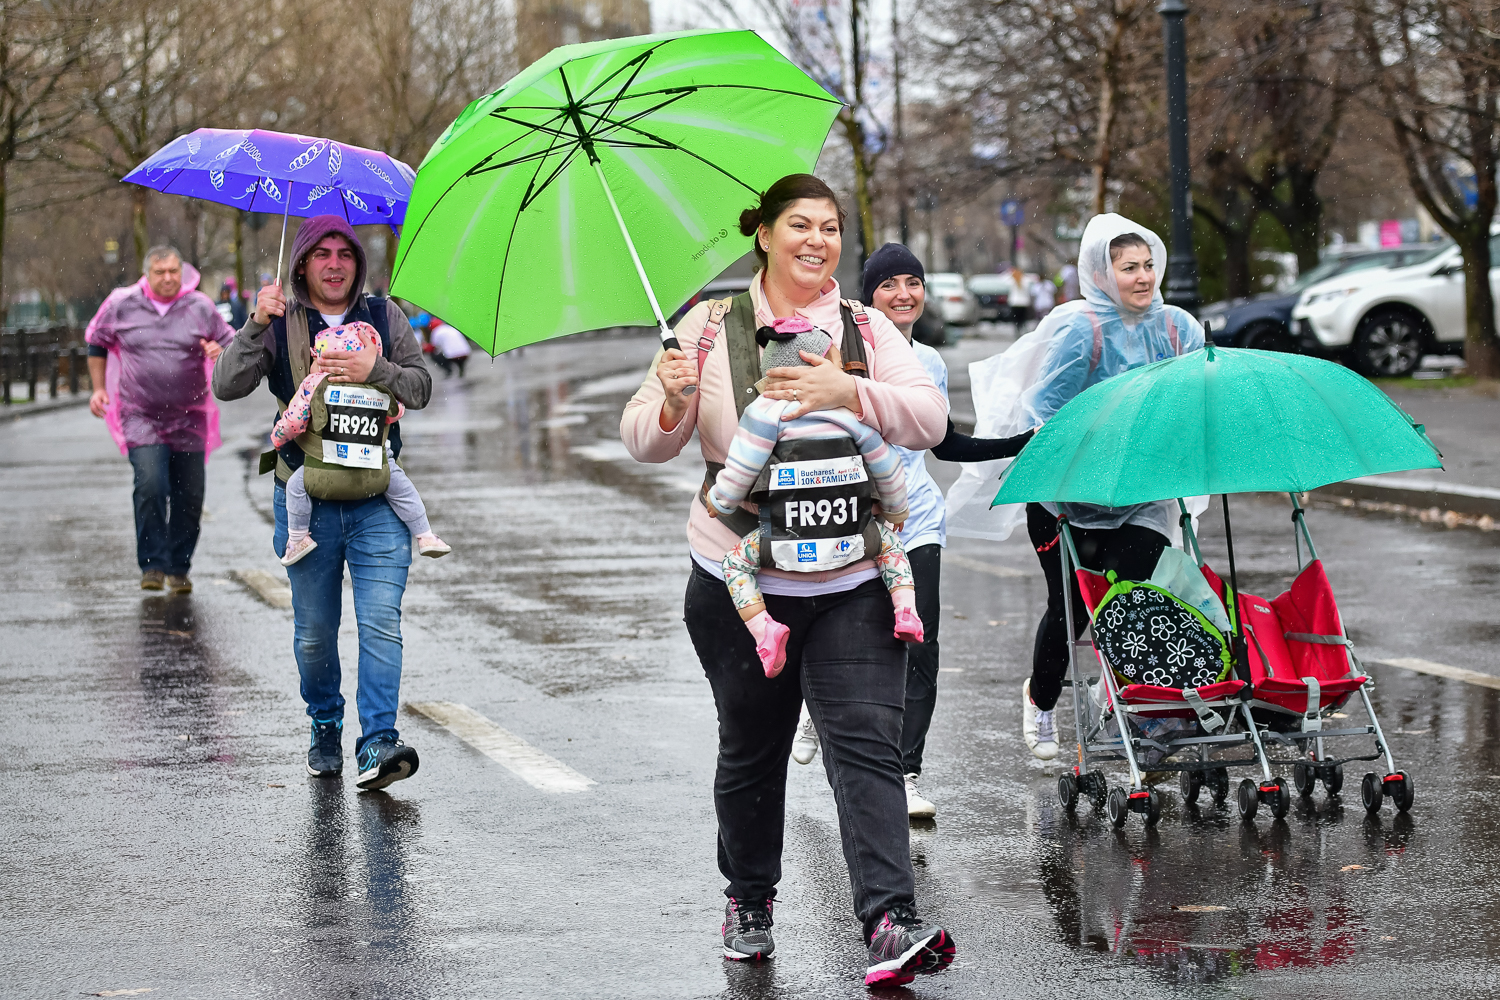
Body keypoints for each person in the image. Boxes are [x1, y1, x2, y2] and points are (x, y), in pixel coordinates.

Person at [621, 174, 956, 987]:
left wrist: (851, 390)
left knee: (867, 745)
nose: (818, 240)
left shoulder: (867, 327)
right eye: (800, 225)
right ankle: (749, 900)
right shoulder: (705, 329)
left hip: (854, 578)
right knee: (753, 747)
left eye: (831, 227)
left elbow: (930, 420)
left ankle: (889, 920)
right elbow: (643, 441)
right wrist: (670, 401)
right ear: (763, 235)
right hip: (741, 584)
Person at [786, 243, 1034, 820]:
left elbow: (941, 442)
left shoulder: (930, 363)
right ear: (867, 297)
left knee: (920, 645)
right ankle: (815, 706)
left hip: (916, 519)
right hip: (850, 520)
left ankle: (905, 773)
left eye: (913, 283)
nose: (903, 294)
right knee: (848, 641)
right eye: (889, 284)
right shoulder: (837, 356)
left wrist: (1020, 445)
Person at [212, 215, 433, 790]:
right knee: (314, 633)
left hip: (378, 500)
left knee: (380, 622)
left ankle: (378, 740)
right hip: (304, 500)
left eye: (345, 253)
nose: (335, 264)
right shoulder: (281, 321)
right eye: (322, 254)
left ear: (358, 263)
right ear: (302, 263)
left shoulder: (385, 316)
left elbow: (420, 388)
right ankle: (325, 722)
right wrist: (254, 324)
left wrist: (375, 369)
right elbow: (226, 386)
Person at [1017, 214, 1204, 759]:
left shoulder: (1178, 329)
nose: (1143, 277)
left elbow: (1194, 400)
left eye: (1148, 265)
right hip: (1067, 496)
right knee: (1071, 608)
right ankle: (1041, 698)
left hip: (1141, 494)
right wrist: (1099, 443)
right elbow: (1044, 411)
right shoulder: (1083, 331)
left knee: (1136, 599)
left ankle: (1122, 698)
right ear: (1102, 274)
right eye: (1128, 268)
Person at [706, 315, 923, 676]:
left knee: (734, 564)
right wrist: (896, 509)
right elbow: (887, 464)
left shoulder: (765, 411)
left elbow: (742, 468)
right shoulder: (849, 413)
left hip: (783, 540)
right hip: (854, 535)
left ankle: (765, 630)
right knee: (893, 549)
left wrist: (720, 501)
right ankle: (905, 611)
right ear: (818, 363)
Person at [86, 246, 236, 594]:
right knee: (151, 484)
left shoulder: (200, 306)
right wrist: (98, 388)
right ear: (147, 274)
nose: (168, 278)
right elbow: (96, 341)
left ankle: (178, 567)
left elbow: (233, 344)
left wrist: (221, 351)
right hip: (140, 416)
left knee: (190, 495)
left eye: (173, 271)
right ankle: (152, 565)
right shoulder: (122, 304)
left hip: (190, 417)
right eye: (160, 272)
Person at [270, 321, 451, 566]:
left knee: (295, 487)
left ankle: (298, 539)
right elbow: (395, 412)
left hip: (325, 462)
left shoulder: (314, 383)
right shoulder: (374, 383)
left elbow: (294, 420)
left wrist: (278, 438)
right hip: (374, 460)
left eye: (314, 357)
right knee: (402, 488)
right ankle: (425, 534)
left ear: (325, 360)